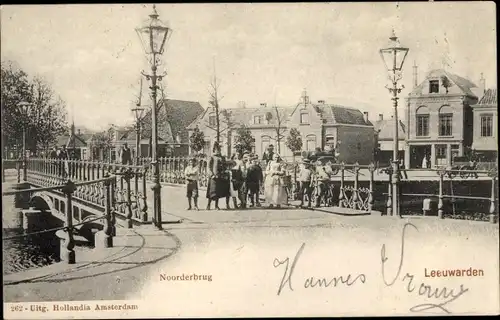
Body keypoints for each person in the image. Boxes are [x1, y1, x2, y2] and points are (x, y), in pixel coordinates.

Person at [206, 143, 231, 210]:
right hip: (213, 177)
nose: (218, 151)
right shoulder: (212, 157)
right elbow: (208, 167)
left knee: (218, 192)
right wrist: (211, 175)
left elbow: (225, 166)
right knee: (212, 192)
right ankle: (208, 205)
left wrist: (225, 171)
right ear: (214, 150)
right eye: (217, 150)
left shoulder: (222, 158)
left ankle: (216, 206)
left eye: (219, 150)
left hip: (220, 177)